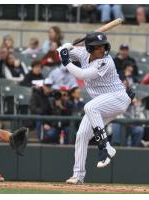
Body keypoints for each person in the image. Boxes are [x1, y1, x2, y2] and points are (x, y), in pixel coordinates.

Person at [57, 31, 135, 184]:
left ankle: (105, 147)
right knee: (81, 135)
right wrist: (64, 49)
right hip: (102, 103)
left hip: (118, 98)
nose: (101, 49)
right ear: (89, 49)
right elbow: (64, 54)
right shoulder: (83, 53)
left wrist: (65, 59)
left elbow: (81, 74)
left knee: (89, 107)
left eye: (103, 46)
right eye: (97, 47)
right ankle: (78, 175)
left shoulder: (106, 61)